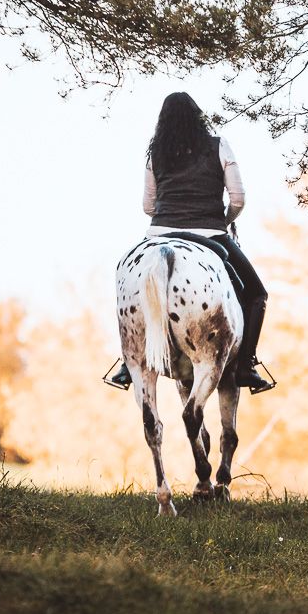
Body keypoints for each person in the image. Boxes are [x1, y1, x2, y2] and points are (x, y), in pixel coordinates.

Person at [107, 91, 276, 393]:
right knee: (257, 295)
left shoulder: (155, 154)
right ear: (199, 117)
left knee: (128, 282)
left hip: (158, 234)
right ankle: (247, 365)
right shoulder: (218, 146)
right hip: (210, 233)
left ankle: (126, 362)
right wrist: (222, 221)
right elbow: (238, 198)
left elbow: (148, 206)